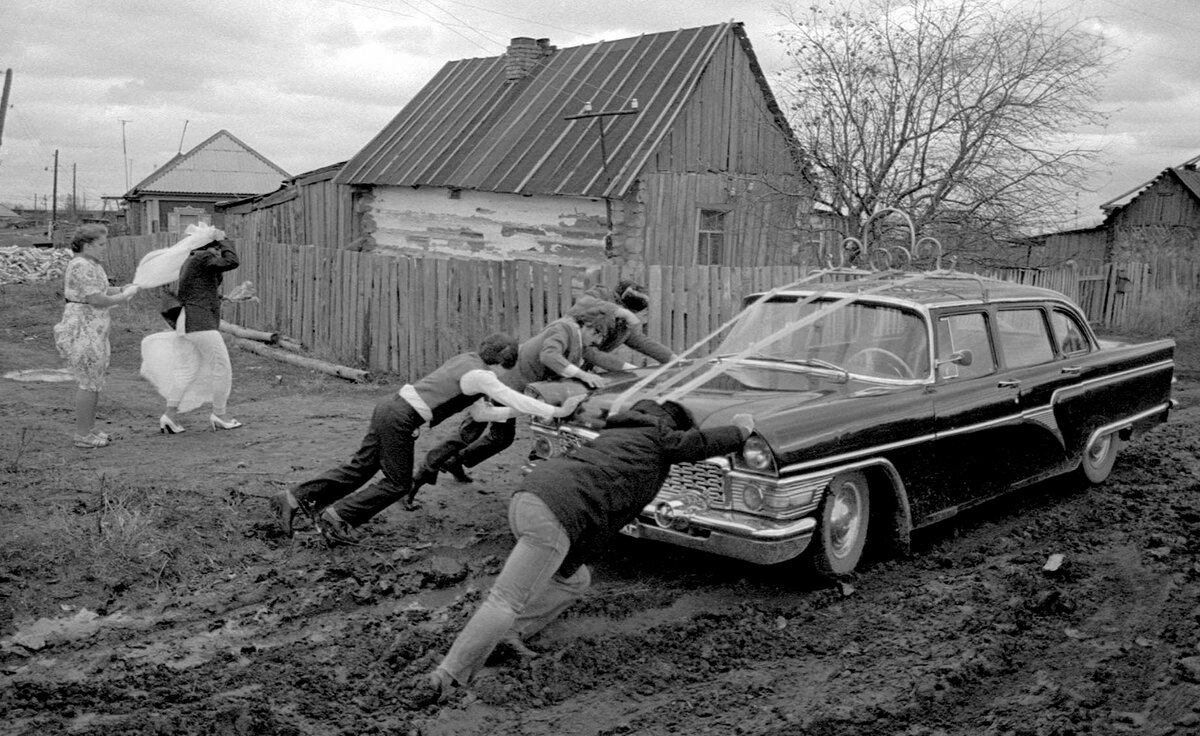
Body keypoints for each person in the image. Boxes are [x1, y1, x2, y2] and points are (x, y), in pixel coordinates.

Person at [413, 399, 754, 704]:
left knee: (574, 578)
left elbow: (599, 514)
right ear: (673, 424)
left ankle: (513, 632)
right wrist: (740, 430)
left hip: (529, 498)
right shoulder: (661, 437)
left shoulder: (618, 432)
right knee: (505, 600)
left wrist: (572, 556)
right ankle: (447, 676)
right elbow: (701, 444)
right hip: (555, 515)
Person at [269, 333, 589, 546]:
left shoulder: (467, 362)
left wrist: (523, 414)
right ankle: (335, 518)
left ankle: (296, 499)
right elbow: (511, 398)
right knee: (397, 484)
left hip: (389, 407)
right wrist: (555, 408)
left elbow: (481, 415)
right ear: (506, 359)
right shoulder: (482, 376)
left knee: (361, 468)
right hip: (401, 418)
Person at [410, 305, 618, 493]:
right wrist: (583, 375)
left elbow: (586, 359)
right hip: (503, 382)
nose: (598, 343)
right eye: (598, 337)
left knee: (498, 438)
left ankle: (455, 461)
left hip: (512, 386)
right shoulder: (564, 329)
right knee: (469, 434)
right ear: (591, 328)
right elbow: (549, 356)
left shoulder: (575, 337)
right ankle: (423, 473)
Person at [53, 224, 140, 448]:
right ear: (87, 245)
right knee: (88, 382)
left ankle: (89, 430)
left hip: (95, 328)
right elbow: (96, 299)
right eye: (101, 244)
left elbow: (102, 290)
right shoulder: (81, 265)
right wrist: (123, 297)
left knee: (95, 380)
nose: (104, 248)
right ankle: (82, 434)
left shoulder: (92, 265)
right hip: (83, 327)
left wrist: (122, 288)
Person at [157, 238, 241, 434]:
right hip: (200, 322)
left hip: (187, 321)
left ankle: (169, 416)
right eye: (218, 249)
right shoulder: (203, 256)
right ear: (209, 247)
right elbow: (232, 262)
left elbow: (197, 290)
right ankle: (219, 414)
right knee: (222, 367)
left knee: (187, 370)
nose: (219, 254)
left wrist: (223, 298)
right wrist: (226, 240)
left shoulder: (192, 260)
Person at [569, 276, 675, 372]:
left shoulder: (622, 325)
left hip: (581, 367)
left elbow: (641, 342)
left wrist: (671, 357)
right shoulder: (598, 298)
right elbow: (584, 302)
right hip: (564, 359)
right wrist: (627, 368)